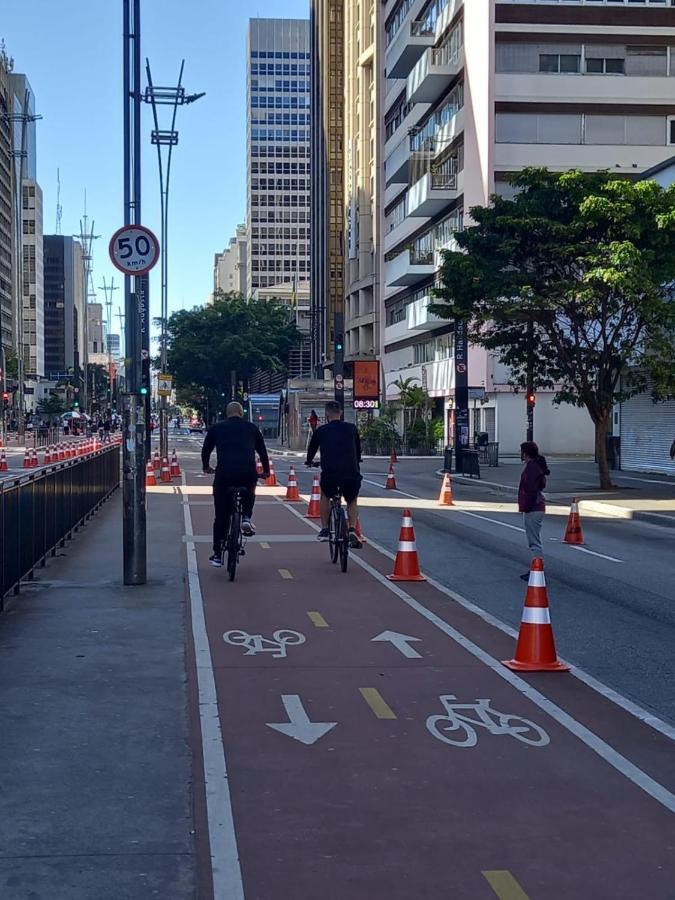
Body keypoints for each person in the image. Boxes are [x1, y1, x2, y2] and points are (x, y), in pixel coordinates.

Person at [201, 401, 270, 568]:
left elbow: (206, 450)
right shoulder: (252, 428)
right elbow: (262, 451)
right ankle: (246, 516)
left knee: (221, 516)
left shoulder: (217, 428)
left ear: (227, 413)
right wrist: (266, 471)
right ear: (241, 413)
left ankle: (217, 554)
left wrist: (206, 467)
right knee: (250, 491)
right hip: (247, 471)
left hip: (224, 473)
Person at [305, 400, 363, 549]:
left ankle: (324, 529)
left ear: (327, 414)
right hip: (351, 475)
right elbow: (358, 450)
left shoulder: (321, 431)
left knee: (325, 495)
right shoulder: (352, 428)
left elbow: (311, 450)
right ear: (341, 413)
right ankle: (351, 528)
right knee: (352, 500)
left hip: (330, 476)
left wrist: (309, 461)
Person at [518, 441, 550, 581]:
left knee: (534, 542)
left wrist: (526, 506)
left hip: (533, 508)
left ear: (525, 453)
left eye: (521, 451)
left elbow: (530, 489)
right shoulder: (536, 466)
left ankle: (537, 569)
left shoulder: (531, 468)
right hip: (536, 506)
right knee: (534, 540)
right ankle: (536, 568)